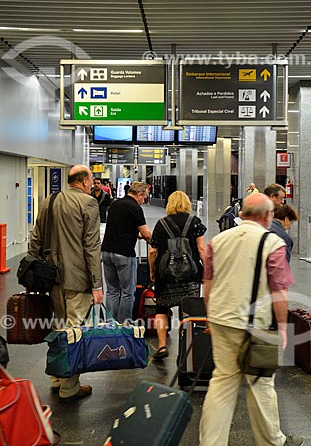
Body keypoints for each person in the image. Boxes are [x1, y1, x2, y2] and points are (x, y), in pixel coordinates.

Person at [199, 193, 303, 446]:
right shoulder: (272, 243)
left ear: (243, 213)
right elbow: (279, 292)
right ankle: (272, 441)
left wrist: (211, 317)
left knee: (222, 383)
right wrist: (282, 329)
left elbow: (208, 284)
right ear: (268, 216)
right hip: (257, 326)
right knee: (261, 383)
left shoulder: (218, 240)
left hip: (223, 319)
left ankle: (211, 443)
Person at [28, 164, 103, 403]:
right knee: (74, 331)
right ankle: (69, 388)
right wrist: (97, 284)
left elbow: (36, 237)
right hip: (77, 279)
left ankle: (56, 378)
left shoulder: (49, 201)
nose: (92, 185)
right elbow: (91, 246)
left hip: (52, 278)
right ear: (83, 182)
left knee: (58, 328)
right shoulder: (88, 203)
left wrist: (33, 271)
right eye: (91, 181)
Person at [149, 190, 207, 360]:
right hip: (191, 273)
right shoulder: (194, 222)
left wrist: (152, 271)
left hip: (165, 274)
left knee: (161, 309)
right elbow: (202, 248)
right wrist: (209, 268)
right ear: (187, 204)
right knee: (187, 310)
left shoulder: (161, 224)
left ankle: (161, 346)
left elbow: (153, 251)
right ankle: (186, 348)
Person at [101, 181, 152, 323]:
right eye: (144, 197)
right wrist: (156, 242)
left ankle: (110, 324)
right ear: (139, 194)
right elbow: (146, 234)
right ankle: (124, 325)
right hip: (124, 254)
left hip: (107, 252)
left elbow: (122, 228)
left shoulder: (115, 204)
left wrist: (137, 235)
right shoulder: (135, 207)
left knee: (112, 291)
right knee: (127, 293)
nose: (144, 201)